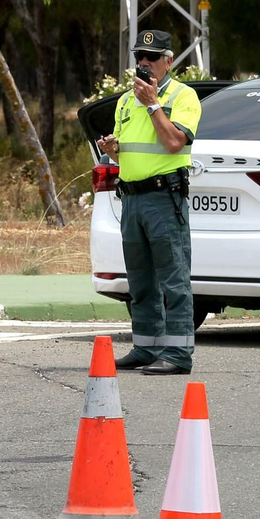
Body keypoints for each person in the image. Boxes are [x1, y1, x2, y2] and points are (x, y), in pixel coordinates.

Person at [96, 30, 203, 375]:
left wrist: (154, 104)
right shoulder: (126, 101)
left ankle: (178, 354)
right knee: (140, 280)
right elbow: (128, 148)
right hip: (132, 199)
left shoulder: (183, 96)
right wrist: (112, 147)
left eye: (152, 57)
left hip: (164, 197)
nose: (144, 63)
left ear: (169, 61)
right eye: (140, 57)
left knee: (173, 279)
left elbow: (174, 143)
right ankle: (146, 346)